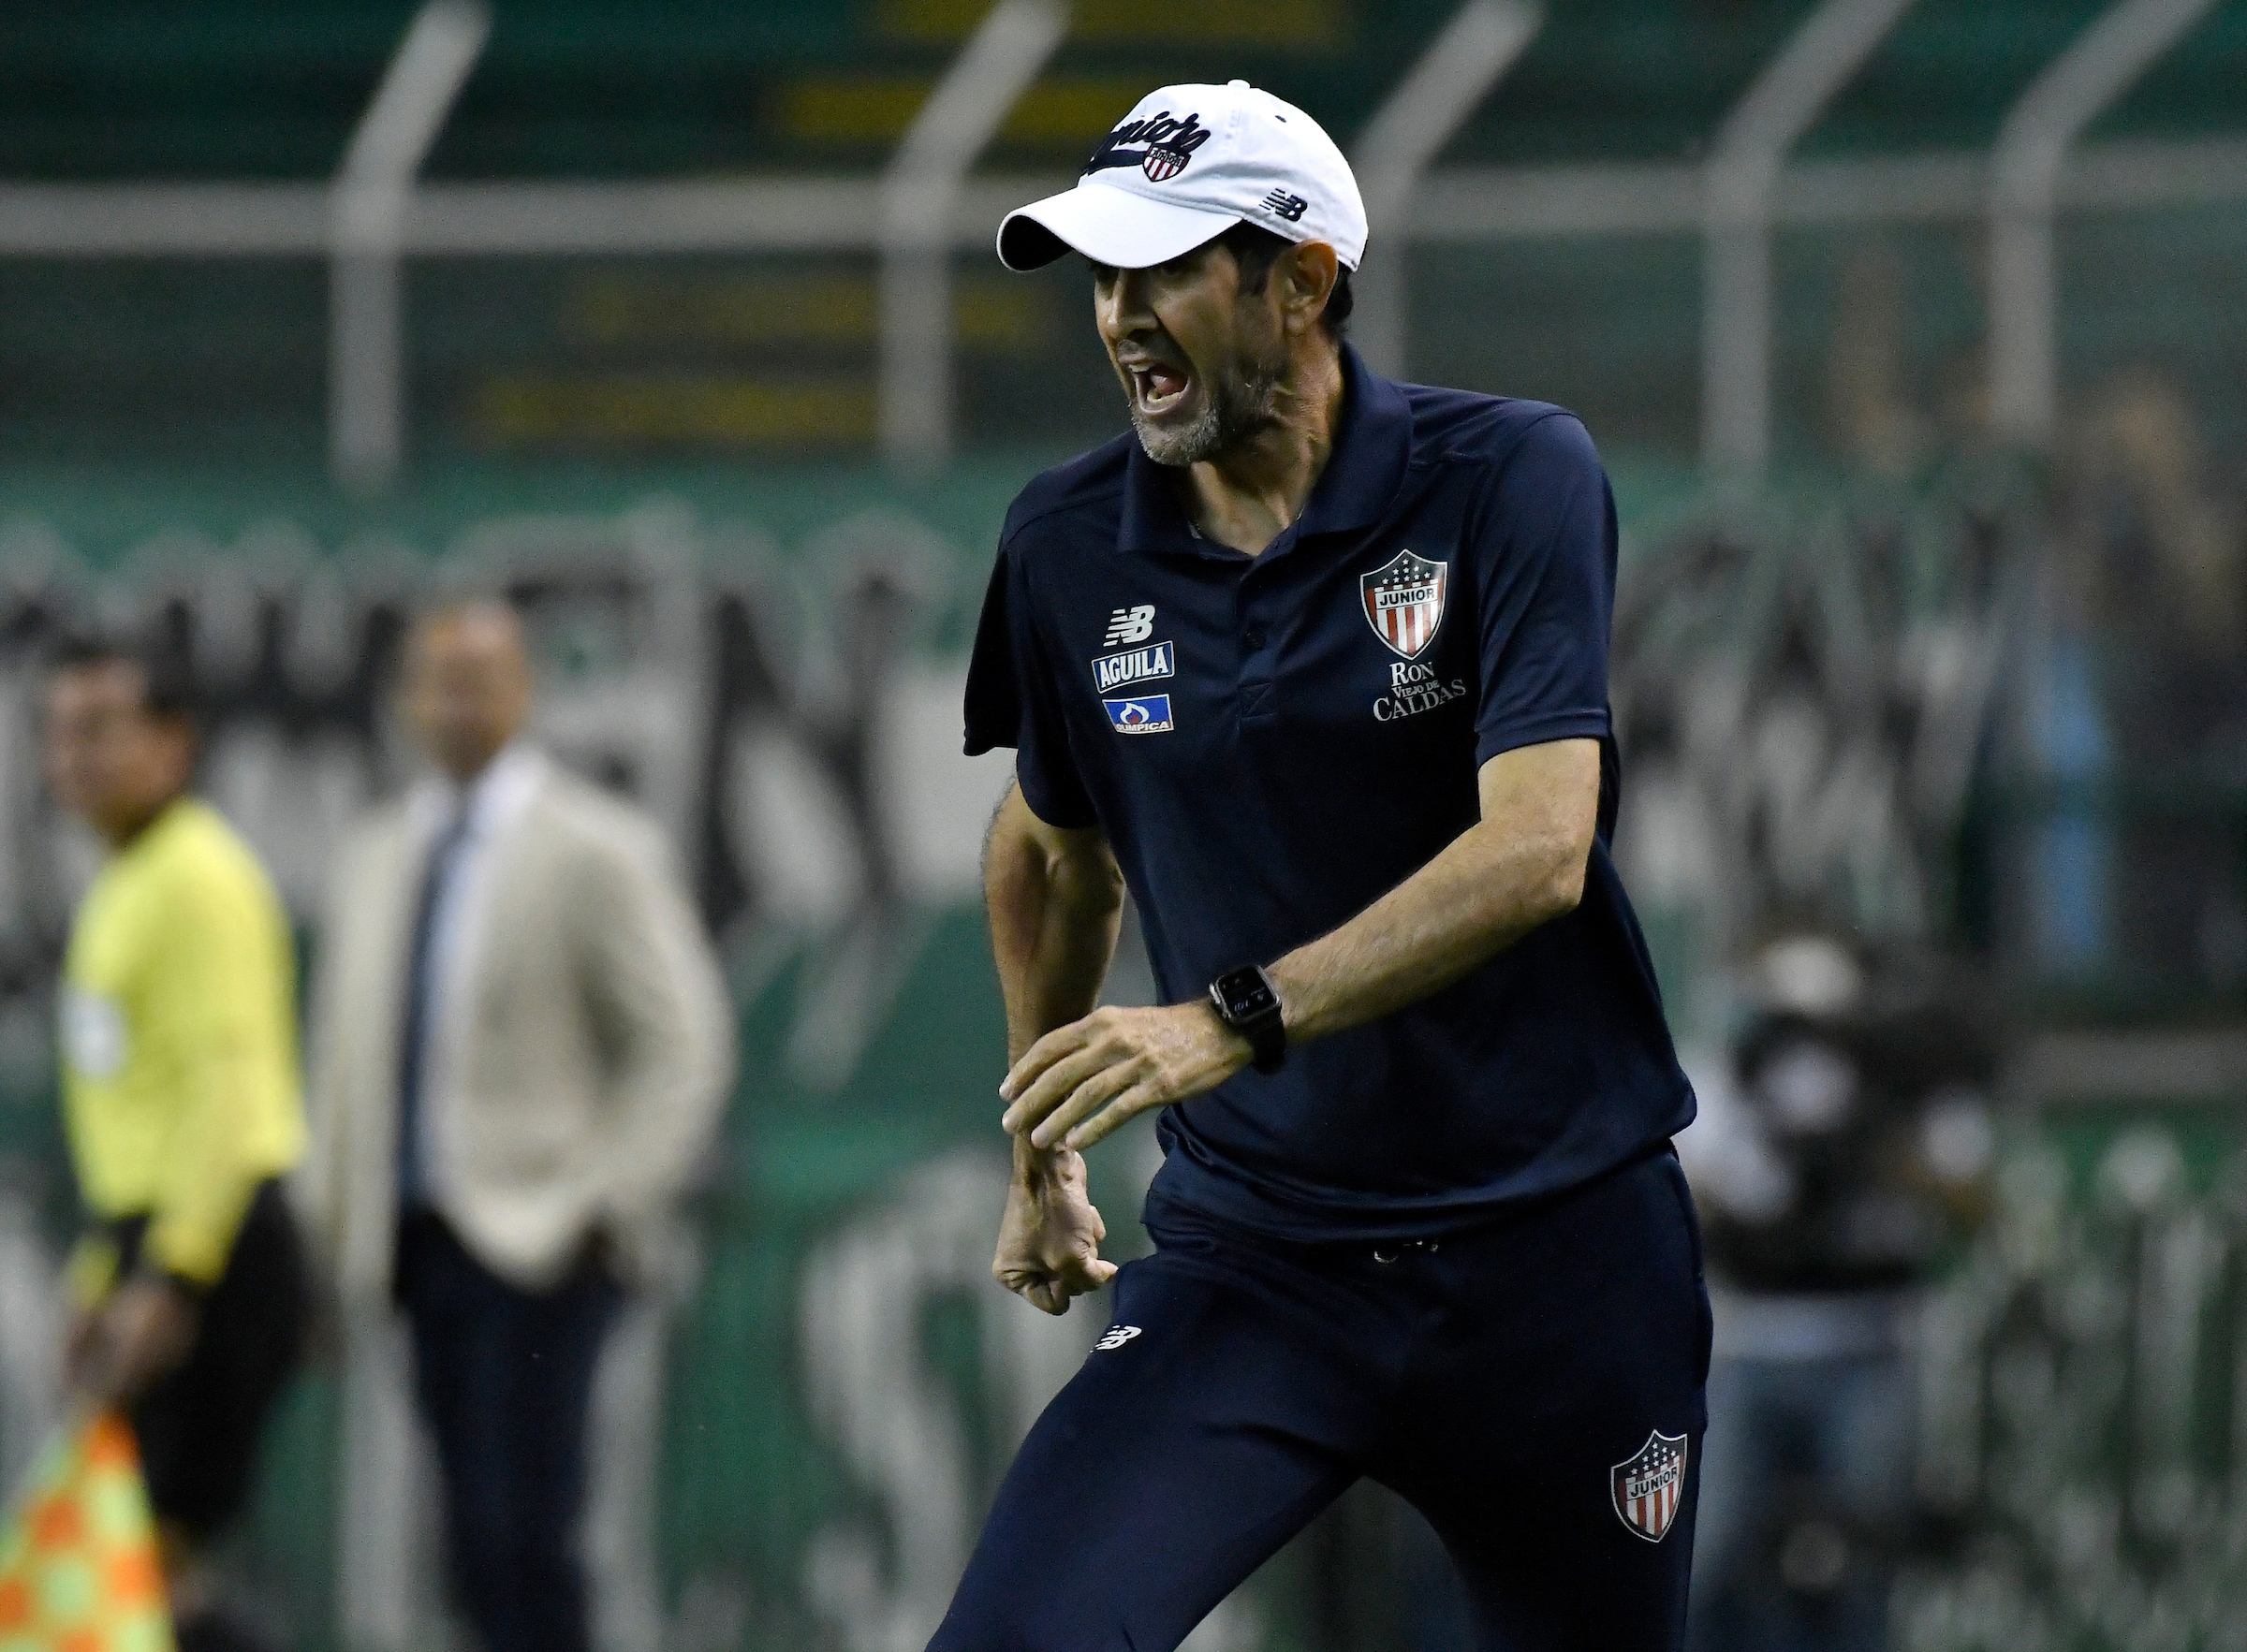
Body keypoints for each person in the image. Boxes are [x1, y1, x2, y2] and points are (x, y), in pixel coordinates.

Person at [939, 80, 1711, 1652]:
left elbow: (1541, 848)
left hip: (1562, 1260)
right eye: (1102, 275)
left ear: (1301, 281)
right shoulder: (1064, 543)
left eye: (1164, 269)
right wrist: (1041, 1155)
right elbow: (1046, 853)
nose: (1120, 316)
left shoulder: (1509, 475)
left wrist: (1225, 1021)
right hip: (1262, 1264)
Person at [298, 600, 734, 1652]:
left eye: (480, 680)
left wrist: (601, 1202)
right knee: (465, 1538)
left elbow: (683, 1045)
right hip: (415, 1243)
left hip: (539, 1244)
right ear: (406, 698)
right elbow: (345, 1056)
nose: (457, 704)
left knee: (529, 1530)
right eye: (438, 681)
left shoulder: (592, 845)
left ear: (525, 692)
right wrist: (332, 1224)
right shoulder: (378, 852)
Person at [44, 632, 310, 1652]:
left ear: (175, 742)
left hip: (211, 1248)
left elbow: (225, 1087)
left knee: (146, 1567)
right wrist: (100, 1267)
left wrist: (170, 1276)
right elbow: (137, 1112)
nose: (76, 757)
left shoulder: (199, 878)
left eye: (102, 730)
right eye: (61, 733)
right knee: (137, 1572)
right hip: (153, 1243)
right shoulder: (129, 879)